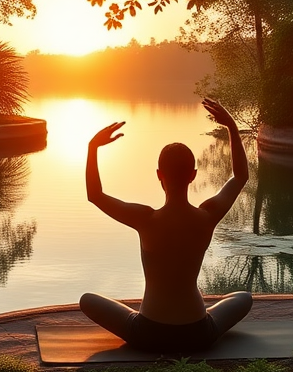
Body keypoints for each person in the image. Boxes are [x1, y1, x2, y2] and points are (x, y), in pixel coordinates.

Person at [80, 97, 253, 355]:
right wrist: (231, 127)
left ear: (159, 174)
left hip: (148, 334)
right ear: (193, 175)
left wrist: (93, 147)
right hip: (198, 334)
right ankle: (201, 310)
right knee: (243, 298)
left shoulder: (145, 219)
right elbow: (240, 176)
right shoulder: (207, 216)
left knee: (87, 301)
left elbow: (95, 194)